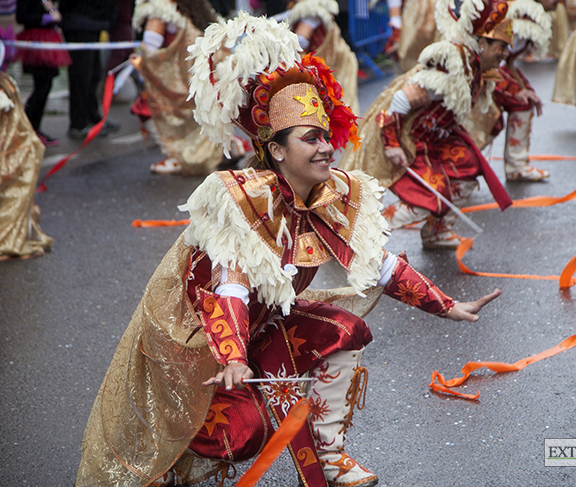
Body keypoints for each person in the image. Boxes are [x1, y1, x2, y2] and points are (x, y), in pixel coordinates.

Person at [75, 13, 502, 487]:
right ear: (276, 150)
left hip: (262, 327)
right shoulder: (243, 200)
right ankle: (183, 461)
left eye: (325, 136)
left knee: (344, 331)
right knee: (244, 432)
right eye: (311, 139)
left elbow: (380, 265)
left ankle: (330, 455)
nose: (326, 149)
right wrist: (234, 357)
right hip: (200, 346)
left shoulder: (330, 193)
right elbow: (228, 288)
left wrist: (449, 306)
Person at [340, 0, 513, 249]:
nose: (505, 53)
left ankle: (437, 231)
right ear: (483, 44)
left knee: (468, 166)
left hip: (436, 137)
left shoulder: (475, 66)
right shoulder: (453, 64)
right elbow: (401, 99)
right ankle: (359, 235)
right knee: (426, 198)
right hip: (407, 136)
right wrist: (392, 143)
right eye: (501, 46)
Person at [130, 0, 231, 175]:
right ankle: (227, 147)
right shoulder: (201, 10)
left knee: (145, 107)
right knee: (204, 115)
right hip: (202, 79)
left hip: (176, 82)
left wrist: (141, 63)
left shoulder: (161, 10)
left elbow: (150, 49)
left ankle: (175, 156)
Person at [486, 0, 555, 181]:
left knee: (523, 102)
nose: (559, 4)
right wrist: (516, 91)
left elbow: (508, 63)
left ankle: (517, 166)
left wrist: (525, 89)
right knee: (481, 123)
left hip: (493, 73)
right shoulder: (517, 22)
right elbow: (491, 64)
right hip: (481, 75)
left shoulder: (526, 20)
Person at [0, 68, 54, 260]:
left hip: (14, 149)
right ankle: (8, 239)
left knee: (14, 193)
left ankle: (9, 239)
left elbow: (9, 129)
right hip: (12, 149)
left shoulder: (2, 87)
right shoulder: (3, 85)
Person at [59, 0, 120, 138]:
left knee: (94, 74)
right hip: (79, 24)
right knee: (80, 76)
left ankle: (93, 117)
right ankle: (78, 123)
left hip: (93, 23)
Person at [287, 0, 360, 114]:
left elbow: (300, 40)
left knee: (335, 106)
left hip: (332, 65)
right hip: (332, 62)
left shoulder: (311, 10)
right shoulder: (314, 7)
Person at [15, 0, 71, 147]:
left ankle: (32, 126)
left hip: (49, 41)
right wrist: (44, 19)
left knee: (46, 85)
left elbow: (58, 18)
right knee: (41, 86)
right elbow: (21, 18)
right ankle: (29, 126)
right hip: (36, 42)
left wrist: (51, 13)